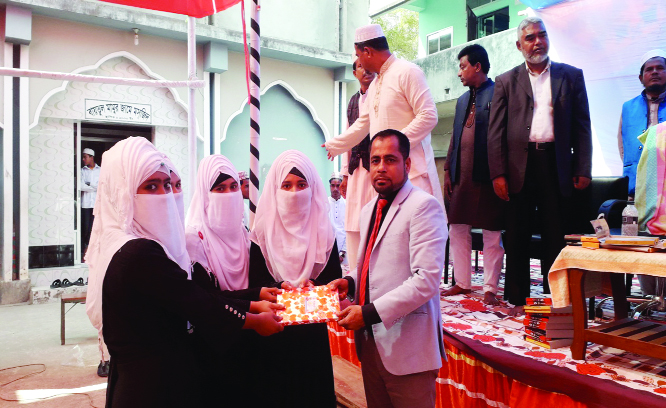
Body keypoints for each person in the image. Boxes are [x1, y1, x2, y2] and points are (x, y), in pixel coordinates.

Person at [84, 137, 283, 408]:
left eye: (168, 185)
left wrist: (253, 301)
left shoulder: (123, 243)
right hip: (152, 388)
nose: (165, 196)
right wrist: (253, 319)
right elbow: (197, 302)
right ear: (122, 192)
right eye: (150, 187)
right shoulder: (137, 252)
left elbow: (190, 295)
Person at [329, 129, 447, 408]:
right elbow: (371, 261)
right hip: (371, 345)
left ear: (406, 164)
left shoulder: (423, 206)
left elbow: (426, 280)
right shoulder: (370, 208)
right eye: (375, 160)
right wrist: (351, 282)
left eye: (390, 160)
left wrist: (368, 313)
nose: (381, 167)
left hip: (408, 347)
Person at [487, 17, 592, 310]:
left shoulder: (570, 76)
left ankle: (556, 296)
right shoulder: (506, 81)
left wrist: (583, 167)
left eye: (542, 35)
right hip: (518, 165)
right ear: (520, 45)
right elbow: (495, 131)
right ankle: (517, 298)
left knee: (555, 232)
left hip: (556, 162)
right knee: (517, 232)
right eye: (530, 37)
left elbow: (582, 124)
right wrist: (498, 172)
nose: (538, 42)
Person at [184, 154, 282, 407]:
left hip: (251, 337)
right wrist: (255, 298)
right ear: (206, 194)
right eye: (219, 189)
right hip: (214, 344)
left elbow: (256, 283)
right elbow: (204, 300)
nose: (228, 194)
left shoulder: (244, 234)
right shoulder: (194, 240)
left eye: (233, 187)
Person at [248, 150, 341, 408]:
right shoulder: (261, 235)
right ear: (274, 189)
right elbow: (253, 285)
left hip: (310, 333)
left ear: (313, 188)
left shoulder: (324, 232)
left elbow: (334, 281)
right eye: (286, 185)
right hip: (272, 329)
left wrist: (318, 288)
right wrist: (280, 288)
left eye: (302, 185)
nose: (294, 193)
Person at [323, 24, 444, 209]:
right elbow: (363, 123)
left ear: (367, 51)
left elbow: (428, 115)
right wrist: (335, 145)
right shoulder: (375, 85)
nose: (359, 61)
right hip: (385, 177)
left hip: (413, 173)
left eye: (358, 55)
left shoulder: (408, 71)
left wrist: (395, 146)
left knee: (418, 231)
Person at [442, 44, 505, 306]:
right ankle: (462, 282)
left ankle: (490, 287)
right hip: (461, 176)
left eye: (463, 66)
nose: (459, 73)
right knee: (457, 228)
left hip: (487, 176)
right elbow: (455, 138)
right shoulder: (460, 101)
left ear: (477, 66)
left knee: (491, 232)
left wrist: (500, 174)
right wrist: (447, 170)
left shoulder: (499, 93)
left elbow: (503, 137)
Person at [618, 50, 666, 297]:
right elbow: (622, 143)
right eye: (649, 69)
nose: (655, 72)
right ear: (641, 77)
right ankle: (650, 296)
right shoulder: (628, 107)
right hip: (637, 188)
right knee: (641, 243)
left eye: (660, 67)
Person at [341, 59, 377, 271]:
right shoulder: (353, 102)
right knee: (353, 222)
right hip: (356, 171)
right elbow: (348, 139)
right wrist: (345, 175)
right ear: (354, 73)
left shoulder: (381, 98)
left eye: (369, 66)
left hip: (375, 171)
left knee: (373, 221)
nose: (367, 70)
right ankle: (355, 275)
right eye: (361, 67)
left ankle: (373, 274)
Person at [80, 148, 100, 258]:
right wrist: (94, 187)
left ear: (91, 157)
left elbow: (102, 186)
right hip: (86, 205)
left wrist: (89, 186)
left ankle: (93, 252)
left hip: (97, 205)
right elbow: (81, 186)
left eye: (85, 157)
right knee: (85, 228)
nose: (83, 159)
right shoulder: (82, 171)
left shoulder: (100, 170)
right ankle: (84, 251)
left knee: (95, 228)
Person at [329, 172, 348, 265]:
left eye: (338, 185)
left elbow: (348, 229)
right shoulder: (324, 203)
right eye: (333, 185)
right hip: (327, 252)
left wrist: (342, 253)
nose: (335, 189)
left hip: (345, 252)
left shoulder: (347, 204)